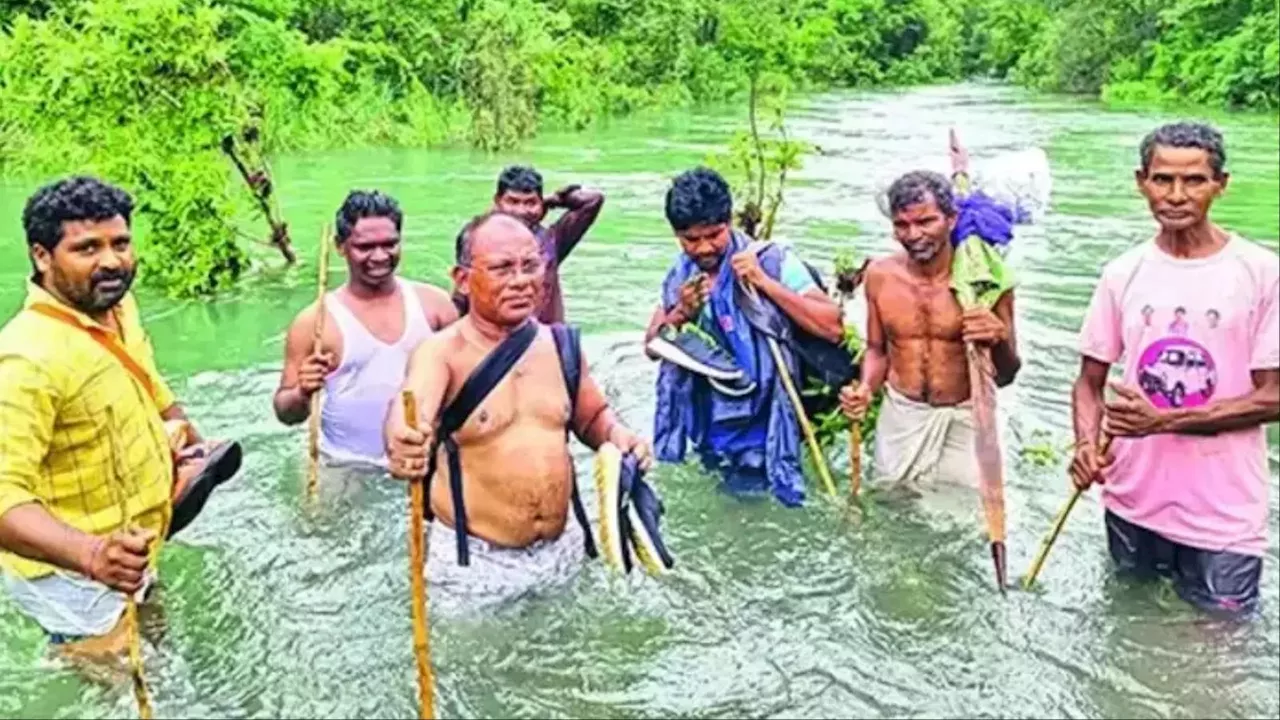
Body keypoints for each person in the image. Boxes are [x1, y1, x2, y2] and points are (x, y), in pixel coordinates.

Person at [0, 176, 240, 652]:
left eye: (121, 243)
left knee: (156, 644)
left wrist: (191, 442)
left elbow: (148, 381)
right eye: (87, 248)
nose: (111, 260)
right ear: (41, 256)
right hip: (71, 575)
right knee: (117, 683)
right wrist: (93, 556)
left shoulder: (116, 304)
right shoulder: (26, 359)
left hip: (134, 544)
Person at [384, 212, 656, 611]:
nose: (520, 281)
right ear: (462, 279)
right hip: (475, 562)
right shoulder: (442, 354)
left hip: (563, 549)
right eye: (501, 269)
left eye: (530, 266)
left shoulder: (562, 345)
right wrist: (403, 442)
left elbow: (593, 418)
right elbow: (409, 409)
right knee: (475, 671)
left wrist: (620, 437)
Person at [1069, 122, 1279, 617]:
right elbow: (1088, 383)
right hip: (1131, 501)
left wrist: (1163, 422)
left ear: (1221, 184)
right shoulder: (1123, 273)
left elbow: (1275, 397)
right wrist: (1084, 445)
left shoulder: (1261, 272)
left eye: (1195, 181)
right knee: (1131, 635)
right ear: (1141, 181)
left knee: (1216, 663)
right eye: (1163, 180)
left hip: (1224, 515)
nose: (1177, 195)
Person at [645, 167, 846, 506]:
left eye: (714, 234)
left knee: (749, 502)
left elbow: (832, 325)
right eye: (691, 240)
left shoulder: (771, 261)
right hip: (710, 418)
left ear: (730, 222)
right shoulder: (682, 273)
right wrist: (682, 311)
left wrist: (765, 285)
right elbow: (652, 347)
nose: (704, 247)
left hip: (763, 419)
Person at [839, 170, 1021, 499]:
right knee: (890, 511)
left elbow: (1007, 375)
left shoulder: (984, 282)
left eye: (926, 222)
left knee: (963, 520)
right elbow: (878, 350)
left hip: (965, 417)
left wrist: (998, 338)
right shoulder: (881, 276)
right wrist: (865, 389)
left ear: (951, 219)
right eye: (902, 225)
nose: (913, 235)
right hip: (902, 416)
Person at [273, 190, 457, 468]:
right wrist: (302, 391)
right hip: (344, 463)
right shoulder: (316, 322)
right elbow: (285, 413)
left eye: (390, 244)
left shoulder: (435, 306)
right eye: (365, 247)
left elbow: (466, 384)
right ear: (340, 246)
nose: (380, 256)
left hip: (419, 460)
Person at [481, 165, 604, 324]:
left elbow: (593, 200)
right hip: (496, 339)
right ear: (497, 201)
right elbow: (460, 301)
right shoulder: (480, 241)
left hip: (548, 339)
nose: (521, 210)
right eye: (513, 201)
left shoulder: (553, 240)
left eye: (530, 202)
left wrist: (553, 200)